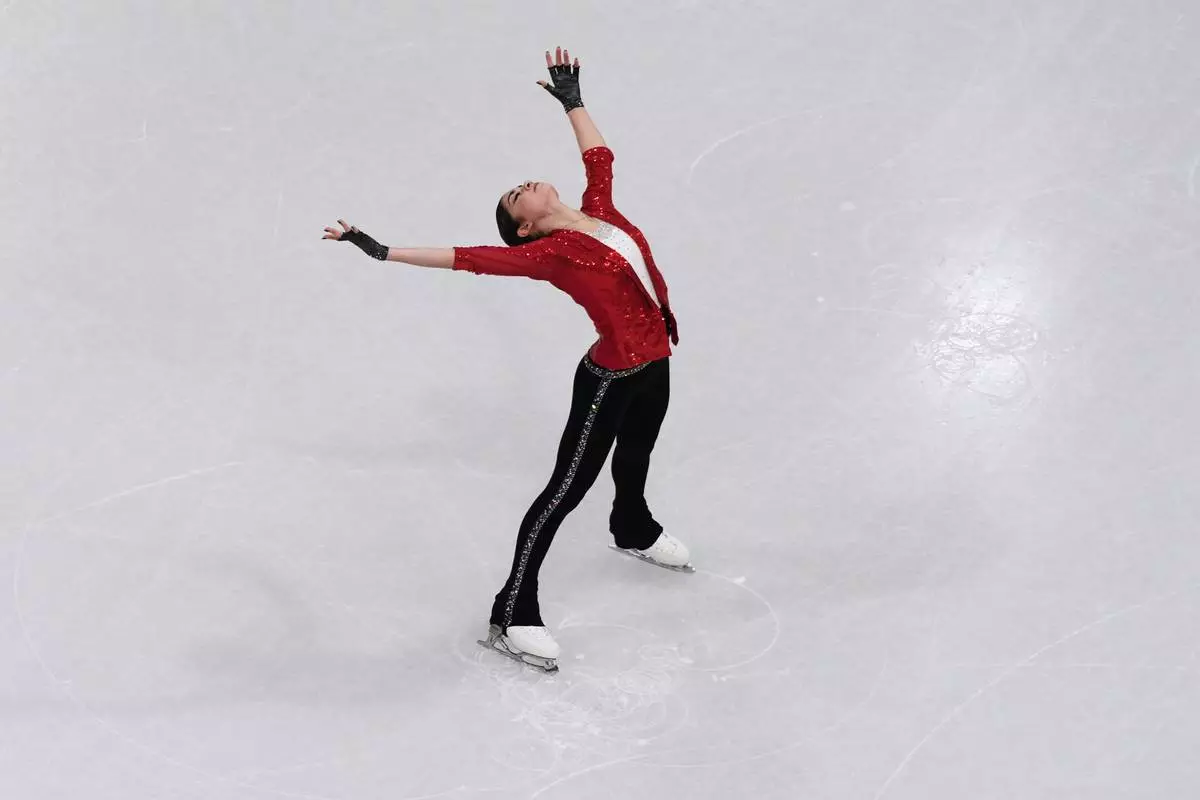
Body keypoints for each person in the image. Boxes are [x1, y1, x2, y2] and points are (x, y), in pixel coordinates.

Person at [323, 47, 691, 672]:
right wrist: (381, 250)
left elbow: (599, 157)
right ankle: (512, 609)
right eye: (514, 198)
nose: (523, 186)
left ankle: (632, 525)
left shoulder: (598, 210)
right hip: (609, 377)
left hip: (654, 360)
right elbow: (467, 256)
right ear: (525, 229)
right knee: (564, 491)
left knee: (636, 457)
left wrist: (573, 102)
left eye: (521, 184)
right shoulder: (546, 254)